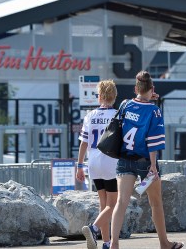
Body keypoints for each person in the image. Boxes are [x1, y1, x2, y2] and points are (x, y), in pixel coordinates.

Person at [108, 71, 183, 249]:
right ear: (152, 88)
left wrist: (147, 97)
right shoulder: (154, 111)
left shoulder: (125, 105)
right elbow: (153, 141)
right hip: (145, 161)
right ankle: (164, 243)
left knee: (121, 202)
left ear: (135, 88)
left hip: (124, 159)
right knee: (156, 203)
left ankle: (114, 244)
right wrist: (153, 167)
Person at [78, 80, 119, 249]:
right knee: (114, 204)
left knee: (103, 204)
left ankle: (106, 243)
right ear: (114, 96)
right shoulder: (117, 115)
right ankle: (93, 229)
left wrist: (80, 165)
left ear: (100, 96)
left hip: (93, 161)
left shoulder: (90, 115)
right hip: (110, 162)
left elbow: (84, 142)